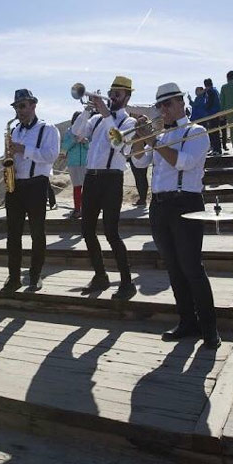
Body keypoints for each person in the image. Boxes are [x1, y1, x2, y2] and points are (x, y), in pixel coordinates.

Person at [132, 84, 220, 349]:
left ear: (182, 103)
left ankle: (209, 328)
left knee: (192, 268)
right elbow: (139, 162)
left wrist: (153, 141)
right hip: (159, 205)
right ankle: (187, 321)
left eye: (168, 104)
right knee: (173, 268)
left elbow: (185, 162)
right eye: (160, 105)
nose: (163, 110)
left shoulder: (197, 131)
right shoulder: (158, 134)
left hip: (186, 203)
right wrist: (140, 139)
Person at [72, 76, 137, 300]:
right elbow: (77, 133)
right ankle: (100, 275)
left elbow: (118, 144)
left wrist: (107, 116)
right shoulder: (98, 119)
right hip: (92, 178)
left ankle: (127, 283)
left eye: (117, 94)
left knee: (111, 232)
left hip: (112, 179)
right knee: (87, 230)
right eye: (111, 92)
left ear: (127, 97)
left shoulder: (129, 122)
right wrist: (88, 111)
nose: (112, 97)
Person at [1, 89, 60, 294]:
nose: (20, 110)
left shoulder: (48, 129)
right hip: (15, 186)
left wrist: (23, 150)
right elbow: (12, 155)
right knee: (13, 235)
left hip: (36, 185)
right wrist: (8, 166)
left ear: (34, 105)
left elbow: (51, 156)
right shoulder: (15, 130)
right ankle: (14, 276)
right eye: (17, 107)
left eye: (23, 106)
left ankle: (35, 275)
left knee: (37, 233)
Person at [60, 111, 89, 219]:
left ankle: (87, 209)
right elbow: (64, 147)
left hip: (86, 162)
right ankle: (77, 209)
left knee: (87, 188)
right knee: (77, 187)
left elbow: (92, 146)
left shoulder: (87, 130)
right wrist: (74, 140)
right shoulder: (69, 132)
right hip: (73, 163)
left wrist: (85, 142)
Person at [202, 79, 222, 156]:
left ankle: (216, 150)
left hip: (212, 114)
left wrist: (205, 108)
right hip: (216, 113)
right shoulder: (215, 90)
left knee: (213, 132)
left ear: (206, 85)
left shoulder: (210, 92)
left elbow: (209, 103)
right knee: (215, 132)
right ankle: (216, 149)